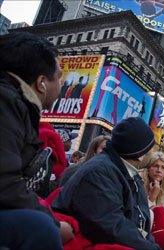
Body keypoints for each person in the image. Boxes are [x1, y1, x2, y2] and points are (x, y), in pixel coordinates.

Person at [0, 32, 69, 250]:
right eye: (58, 76)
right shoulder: (6, 102)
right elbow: (5, 183)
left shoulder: (15, 103)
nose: (62, 83)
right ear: (41, 83)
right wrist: (54, 222)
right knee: (40, 228)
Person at [53, 117, 159, 249]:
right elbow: (110, 227)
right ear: (140, 153)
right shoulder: (99, 172)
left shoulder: (129, 175)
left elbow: (140, 223)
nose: (153, 153)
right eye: (151, 148)